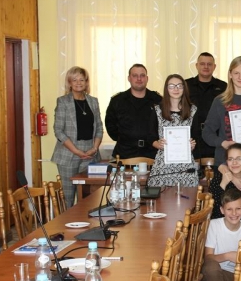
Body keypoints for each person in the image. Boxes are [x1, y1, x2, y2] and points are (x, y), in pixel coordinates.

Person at [52, 66, 104, 207]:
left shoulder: (93, 101)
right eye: (74, 80)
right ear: (69, 82)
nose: (78, 83)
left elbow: (99, 128)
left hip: (91, 153)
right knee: (68, 198)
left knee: (91, 197)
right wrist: (76, 151)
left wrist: (94, 148)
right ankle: (68, 222)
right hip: (69, 153)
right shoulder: (63, 101)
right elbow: (58, 131)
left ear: (86, 82)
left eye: (82, 79)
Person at [147, 74, 199, 188]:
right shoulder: (157, 110)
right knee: (160, 197)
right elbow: (150, 137)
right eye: (172, 86)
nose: (176, 89)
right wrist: (158, 144)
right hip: (163, 164)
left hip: (186, 164)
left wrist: (193, 144)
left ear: (184, 89)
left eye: (179, 86)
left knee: (188, 197)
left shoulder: (193, 110)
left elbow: (196, 137)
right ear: (166, 89)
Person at [105, 63, 162, 159]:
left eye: (142, 75)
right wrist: (125, 139)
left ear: (147, 78)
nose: (139, 79)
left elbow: (164, 124)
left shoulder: (157, 100)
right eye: (135, 75)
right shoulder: (118, 100)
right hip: (125, 154)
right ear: (129, 78)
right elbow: (110, 126)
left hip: (152, 154)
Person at [186, 52, 227, 162]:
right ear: (196, 65)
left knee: (216, 168)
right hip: (192, 137)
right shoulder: (186, 85)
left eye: (209, 64)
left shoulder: (223, 87)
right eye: (202, 64)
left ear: (214, 67)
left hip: (215, 135)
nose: (206, 67)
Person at [208, 144, 241, 219]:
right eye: (230, 159)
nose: (234, 162)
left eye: (239, 158)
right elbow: (215, 212)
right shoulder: (218, 180)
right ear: (227, 162)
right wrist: (223, 185)